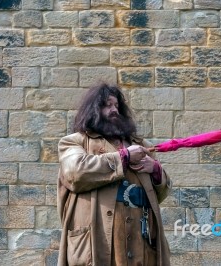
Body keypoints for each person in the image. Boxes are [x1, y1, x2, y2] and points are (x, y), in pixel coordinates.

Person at [57, 83, 172, 266]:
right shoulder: (74, 142)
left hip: (140, 240)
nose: (114, 110)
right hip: (98, 241)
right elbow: (75, 172)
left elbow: (160, 194)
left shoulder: (140, 144)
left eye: (116, 106)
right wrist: (124, 157)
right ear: (94, 109)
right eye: (107, 105)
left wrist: (156, 170)